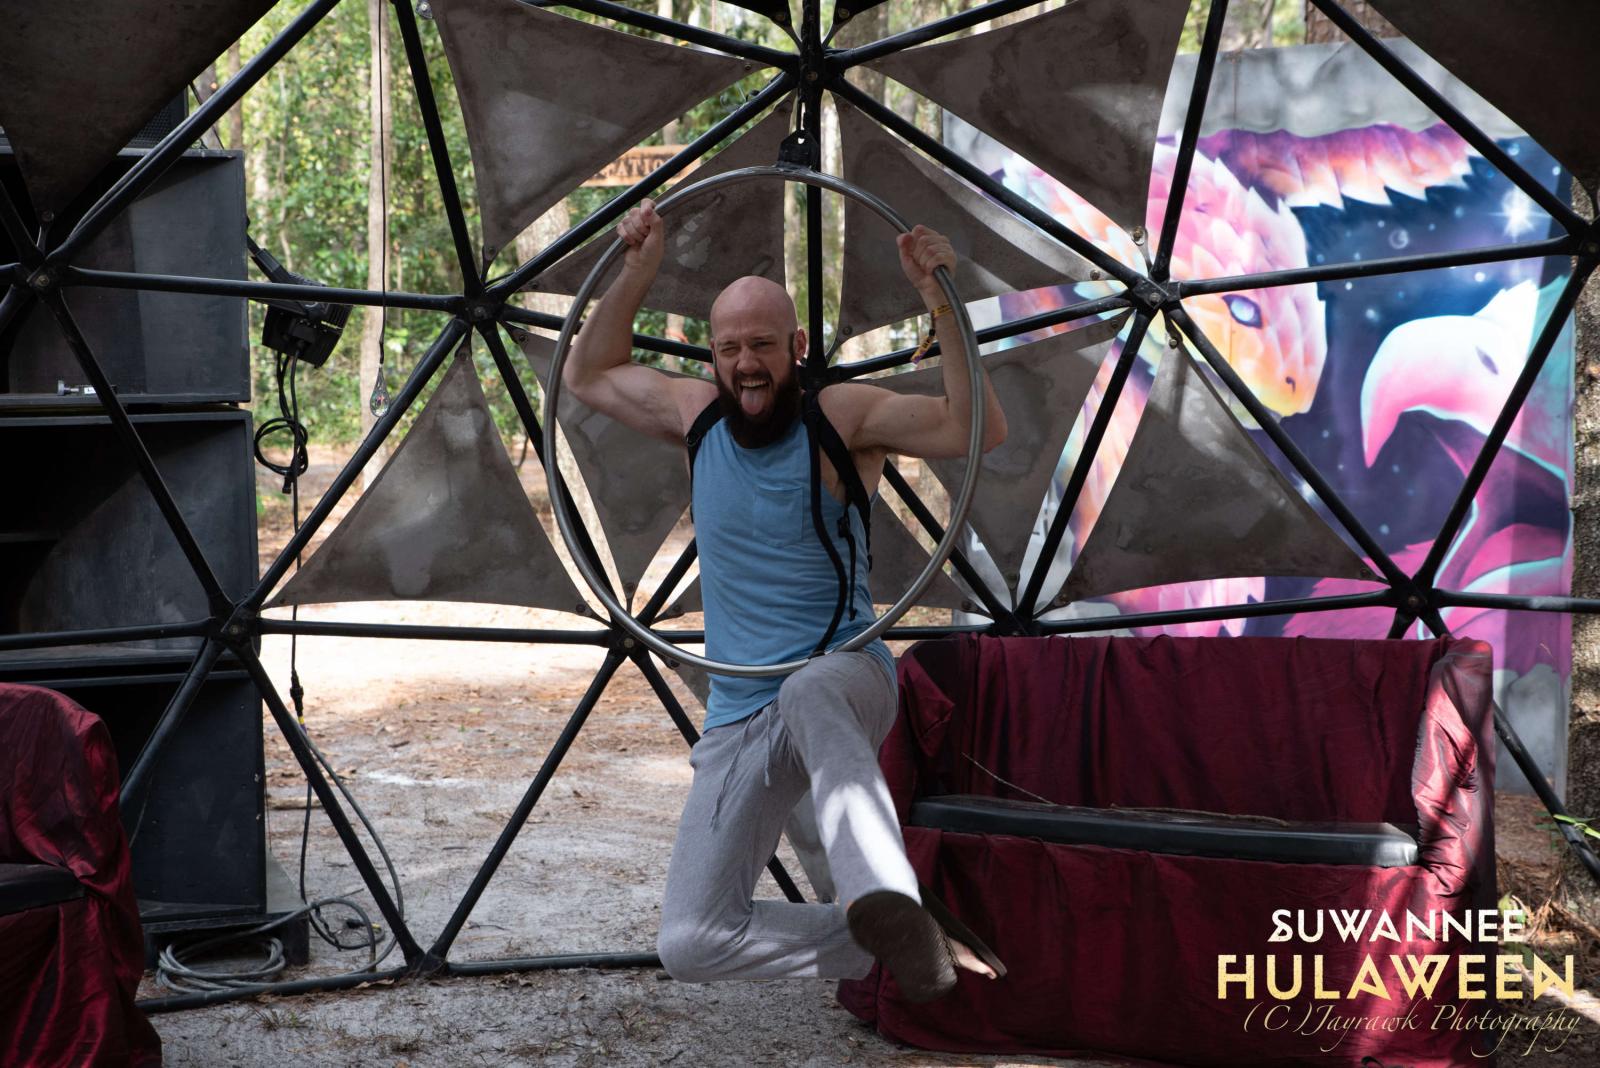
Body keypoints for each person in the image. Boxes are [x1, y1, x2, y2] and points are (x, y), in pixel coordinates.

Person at [563, 197, 1008, 1002]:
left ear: (797, 347)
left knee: (807, 687)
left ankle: (880, 883)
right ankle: (901, 933)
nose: (746, 364)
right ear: (712, 355)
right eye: (729, 348)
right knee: (692, 941)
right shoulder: (696, 415)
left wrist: (940, 300)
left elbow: (974, 430)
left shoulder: (840, 416)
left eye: (763, 344)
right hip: (740, 712)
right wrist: (636, 272)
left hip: (842, 674)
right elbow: (586, 374)